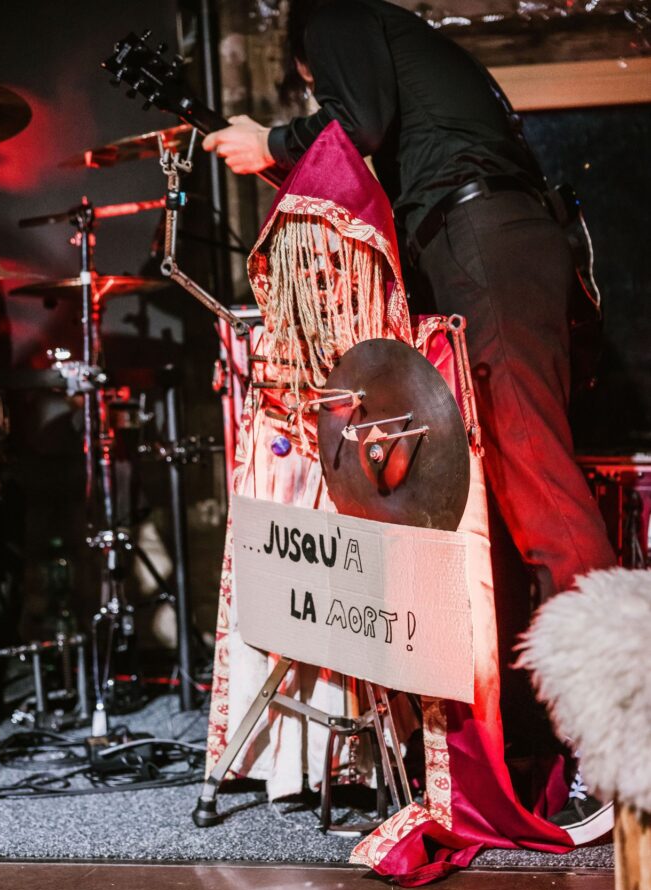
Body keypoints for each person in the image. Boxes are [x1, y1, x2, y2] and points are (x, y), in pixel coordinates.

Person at [202, 0, 616, 834]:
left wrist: (271, 144)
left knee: (538, 490)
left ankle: (618, 744)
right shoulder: (405, 40)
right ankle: (564, 739)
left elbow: (357, 124)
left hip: (480, 242)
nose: (314, 81)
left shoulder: (338, 15)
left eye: (309, 82)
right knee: (515, 494)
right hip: (497, 240)